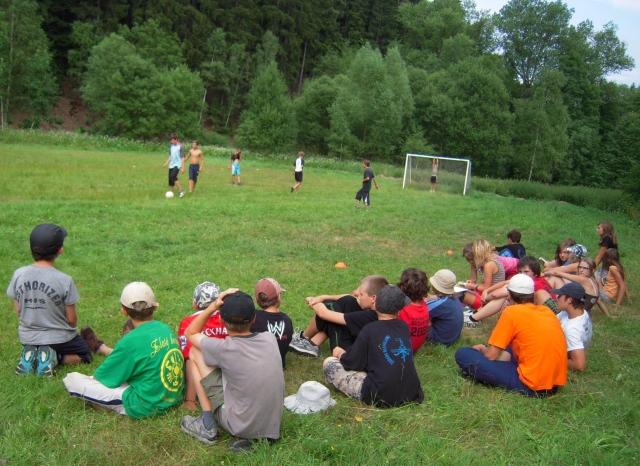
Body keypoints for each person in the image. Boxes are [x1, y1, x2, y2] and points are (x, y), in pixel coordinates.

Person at [180, 290, 284, 452]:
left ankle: (207, 424)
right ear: (254, 318)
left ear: (221, 319)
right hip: (272, 425)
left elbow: (190, 333)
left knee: (195, 352)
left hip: (239, 425)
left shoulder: (223, 348)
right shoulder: (269, 338)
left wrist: (212, 307)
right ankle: (256, 434)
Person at [63, 282, 184, 418]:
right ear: (155, 306)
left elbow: (100, 379)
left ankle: (106, 405)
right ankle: (103, 350)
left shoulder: (129, 341)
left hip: (147, 405)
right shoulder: (165, 328)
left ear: (124, 311)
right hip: (173, 397)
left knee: (71, 380)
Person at [7, 224, 112, 377]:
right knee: (85, 355)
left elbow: (18, 312)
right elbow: (72, 320)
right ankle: (54, 357)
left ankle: (33, 354)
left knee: (37, 343)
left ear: (31, 248)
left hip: (27, 338)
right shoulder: (64, 280)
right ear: (60, 251)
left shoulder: (18, 274)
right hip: (59, 339)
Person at [455, 274, 567, 397]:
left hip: (533, 386)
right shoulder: (547, 311)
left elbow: (490, 355)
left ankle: (496, 371)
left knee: (463, 353)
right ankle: (503, 368)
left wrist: (482, 348)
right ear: (533, 295)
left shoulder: (511, 312)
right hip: (554, 384)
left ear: (509, 295)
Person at [323, 285, 424, 407]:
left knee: (329, 362)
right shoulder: (404, 327)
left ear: (376, 304)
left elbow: (351, 363)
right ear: (399, 311)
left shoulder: (369, 329)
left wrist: (340, 353)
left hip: (380, 395)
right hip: (411, 391)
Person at [289, 276, 389, 357]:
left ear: (373, 298)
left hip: (347, 351)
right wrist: (324, 297)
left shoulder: (369, 316)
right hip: (357, 342)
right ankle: (311, 343)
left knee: (330, 307)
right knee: (348, 301)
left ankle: (306, 340)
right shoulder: (380, 309)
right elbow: (349, 297)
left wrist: (313, 301)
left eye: (361, 295)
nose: (358, 296)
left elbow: (324, 314)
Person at [465, 255, 559, 328]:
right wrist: (487, 290)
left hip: (541, 318)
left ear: (535, 273)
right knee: (509, 294)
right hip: (545, 313)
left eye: (526, 272)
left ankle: (473, 318)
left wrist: (486, 296)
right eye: (520, 272)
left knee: (505, 296)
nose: (522, 274)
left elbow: (495, 294)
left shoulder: (528, 284)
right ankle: (475, 316)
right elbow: (506, 282)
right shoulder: (539, 279)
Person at [177, 282, 226, 411]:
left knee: (191, 356)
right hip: (229, 372)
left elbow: (186, 356)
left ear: (194, 304)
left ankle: (190, 401)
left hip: (204, 374)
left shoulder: (187, 322)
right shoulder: (225, 318)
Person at [544, 257, 611, 317]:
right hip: (582, 312)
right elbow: (598, 300)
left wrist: (545, 273)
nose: (581, 270)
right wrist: (608, 315)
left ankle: (542, 293)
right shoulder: (594, 281)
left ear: (592, 270)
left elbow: (558, 273)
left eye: (585, 268)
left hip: (574, 312)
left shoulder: (584, 280)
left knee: (556, 278)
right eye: (580, 267)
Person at [251, 278, 293, 368]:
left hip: (258, 366)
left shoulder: (253, 317)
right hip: (279, 365)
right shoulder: (287, 320)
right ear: (278, 298)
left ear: (256, 300)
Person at [551, 283, 593, 372]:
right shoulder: (579, 312)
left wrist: (554, 359)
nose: (556, 298)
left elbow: (579, 365)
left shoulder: (572, 329)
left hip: (562, 351)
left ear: (569, 300)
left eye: (560, 296)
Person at [460, 240, 506, 309]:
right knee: (460, 287)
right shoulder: (492, 261)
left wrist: (471, 286)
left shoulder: (489, 265)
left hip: (489, 299)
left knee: (459, 293)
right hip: (488, 295)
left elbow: (486, 288)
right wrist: (471, 284)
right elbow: (483, 283)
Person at [425, 269, 464, 346]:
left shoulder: (439, 304)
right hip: (453, 338)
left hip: (439, 340)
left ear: (435, 287)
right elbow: (437, 299)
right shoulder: (454, 298)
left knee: (423, 316)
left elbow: (420, 310)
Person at [396, 268, 430, 353]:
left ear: (402, 287)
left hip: (402, 347)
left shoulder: (403, 308)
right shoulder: (423, 305)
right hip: (414, 346)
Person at [163, 133, 185, 197]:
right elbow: (171, 156)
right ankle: (172, 194)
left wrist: (183, 168)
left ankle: (181, 190)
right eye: (171, 140)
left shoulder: (180, 146)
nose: (171, 141)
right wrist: (166, 163)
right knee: (170, 179)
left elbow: (182, 157)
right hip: (171, 164)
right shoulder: (171, 146)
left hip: (178, 164)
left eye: (172, 140)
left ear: (176, 139)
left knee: (173, 176)